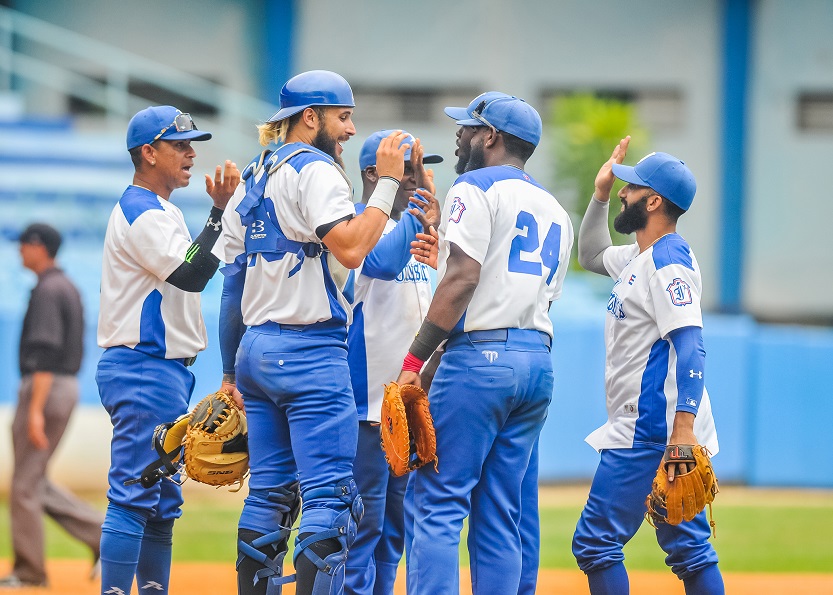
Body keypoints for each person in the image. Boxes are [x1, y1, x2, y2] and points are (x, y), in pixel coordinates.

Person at [214, 70, 411, 595]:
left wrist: (231, 370)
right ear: (310, 117)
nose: (349, 129)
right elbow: (350, 247)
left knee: (269, 496)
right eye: (343, 116)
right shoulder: (316, 170)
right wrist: (388, 184)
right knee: (331, 499)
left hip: (256, 350)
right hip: (309, 350)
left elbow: (231, 287)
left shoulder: (254, 177)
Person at [396, 95, 574, 594]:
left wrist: (415, 360)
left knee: (438, 503)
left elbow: (462, 279)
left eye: (468, 127)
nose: (459, 134)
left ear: (491, 137)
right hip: (535, 362)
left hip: (480, 361)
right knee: (500, 511)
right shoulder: (556, 207)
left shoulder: (473, 185)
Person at [95, 105, 239, 595]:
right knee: (136, 491)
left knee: (160, 499)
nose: (191, 152)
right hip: (143, 366)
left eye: (191, 143)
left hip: (164, 370)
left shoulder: (165, 210)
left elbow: (192, 267)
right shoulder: (140, 210)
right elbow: (191, 274)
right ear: (148, 152)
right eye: (179, 144)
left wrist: (217, 220)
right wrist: (221, 214)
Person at [572, 137, 724, 594]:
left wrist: (681, 433)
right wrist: (599, 196)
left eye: (631, 187)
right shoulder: (641, 256)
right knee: (689, 551)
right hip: (656, 424)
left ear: (653, 200)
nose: (624, 191)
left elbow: (692, 346)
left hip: (652, 429)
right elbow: (592, 256)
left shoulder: (666, 259)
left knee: (596, 544)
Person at [344, 130, 442, 595]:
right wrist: (421, 213)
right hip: (367, 407)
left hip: (409, 404)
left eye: (424, 168)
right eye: (411, 170)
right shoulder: (356, 227)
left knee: (395, 530)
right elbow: (380, 263)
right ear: (375, 174)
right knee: (362, 526)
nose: (421, 178)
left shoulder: (417, 232)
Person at [0, 224, 103, 589]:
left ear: (39, 247)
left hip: (46, 386)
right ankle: (100, 534)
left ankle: (30, 571)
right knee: (33, 480)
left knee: (25, 486)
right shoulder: (66, 286)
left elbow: (45, 352)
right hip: (61, 386)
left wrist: (33, 411)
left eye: (24, 245)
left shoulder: (48, 289)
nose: (19, 252)